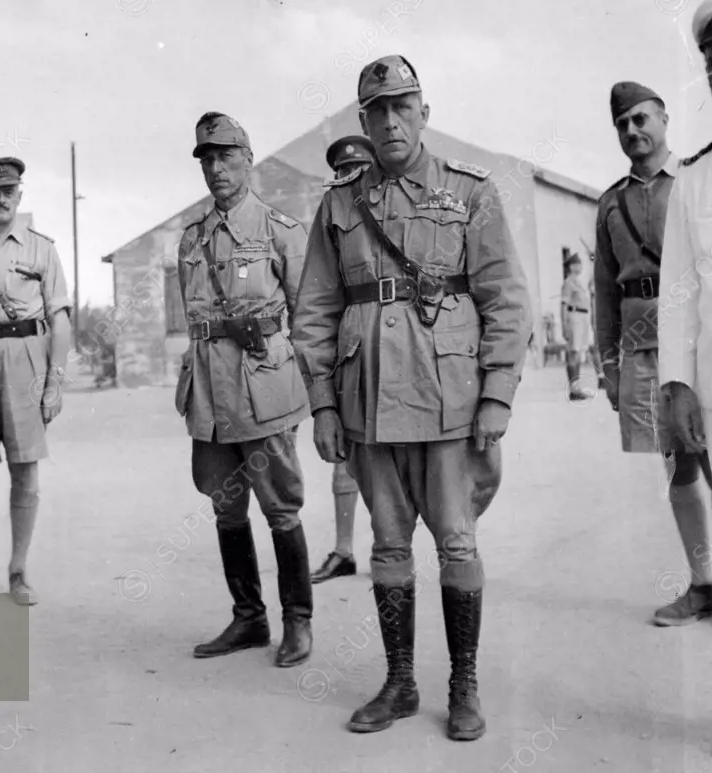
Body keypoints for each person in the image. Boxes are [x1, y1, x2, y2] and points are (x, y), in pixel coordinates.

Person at [292, 55, 531, 741]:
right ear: (363, 121)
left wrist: (498, 393)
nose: (391, 120)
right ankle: (399, 681)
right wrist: (323, 405)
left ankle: (464, 682)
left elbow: (505, 298)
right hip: (367, 398)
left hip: (449, 397)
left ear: (424, 111)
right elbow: (313, 309)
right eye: (377, 110)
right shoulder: (339, 204)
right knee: (388, 544)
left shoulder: (471, 192)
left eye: (403, 106)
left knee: (456, 541)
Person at [175, 112, 313, 668]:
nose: (216, 169)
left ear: (248, 159)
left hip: (262, 387)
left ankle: (297, 623)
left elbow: (310, 316)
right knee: (225, 507)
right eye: (207, 159)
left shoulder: (281, 230)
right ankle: (249, 618)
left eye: (226, 157)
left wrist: (303, 386)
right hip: (209, 391)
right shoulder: (192, 238)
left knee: (281, 508)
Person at [595, 80, 712, 626]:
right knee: (679, 472)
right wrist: (609, 364)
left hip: (698, 346)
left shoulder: (694, 181)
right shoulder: (610, 203)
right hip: (646, 353)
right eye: (623, 124)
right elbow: (604, 290)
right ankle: (702, 585)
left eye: (641, 119)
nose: (633, 131)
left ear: (664, 118)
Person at [0, 157, 72, 606]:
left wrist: (55, 383)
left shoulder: (42, 249)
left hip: (28, 358)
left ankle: (18, 571)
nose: (1, 198)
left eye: (9, 190)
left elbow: (60, 321)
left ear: (20, 195)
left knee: (25, 471)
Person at [310, 135, 376, 584]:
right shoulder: (332, 220)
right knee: (343, 456)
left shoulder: (400, 213)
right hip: (348, 349)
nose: (348, 179)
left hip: (396, 350)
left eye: (357, 170)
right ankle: (344, 549)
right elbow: (320, 296)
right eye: (341, 173)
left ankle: (404, 548)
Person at [561, 251, 594, 400]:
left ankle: (577, 388)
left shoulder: (579, 282)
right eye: (578, 263)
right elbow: (563, 305)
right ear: (572, 266)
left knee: (578, 353)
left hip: (582, 317)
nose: (580, 266)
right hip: (574, 317)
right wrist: (564, 325)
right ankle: (573, 390)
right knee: (573, 353)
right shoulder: (568, 282)